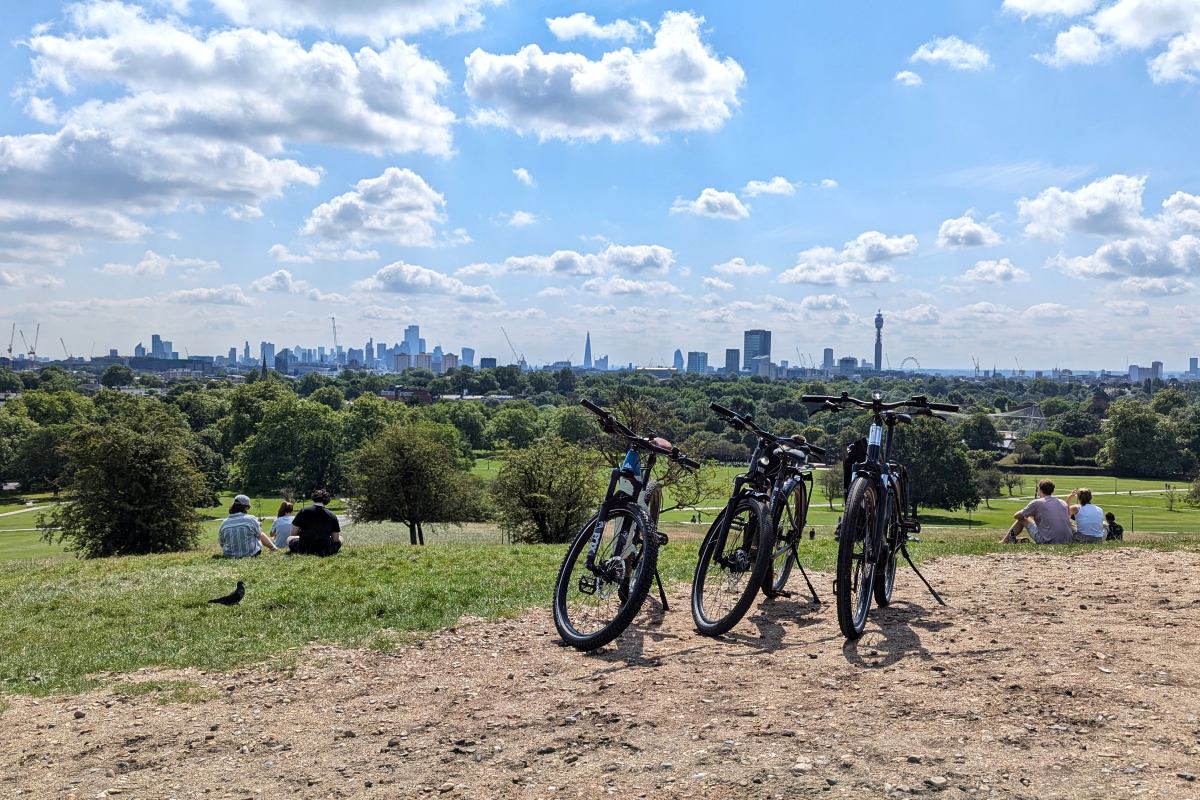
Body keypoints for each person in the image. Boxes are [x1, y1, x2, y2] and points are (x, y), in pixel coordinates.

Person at [999, 478, 1072, 544]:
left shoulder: (1037, 503)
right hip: (1068, 540)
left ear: (1040, 489)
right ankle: (1017, 541)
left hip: (1048, 541)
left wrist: (1025, 512)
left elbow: (1017, 516)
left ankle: (1004, 541)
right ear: (1052, 490)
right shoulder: (1063, 502)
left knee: (1023, 518)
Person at [288, 488, 343, 556]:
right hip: (325, 550)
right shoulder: (332, 515)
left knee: (289, 538)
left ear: (313, 498)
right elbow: (335, 539)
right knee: (341, 538)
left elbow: (293, 533)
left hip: (303, 548)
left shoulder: (303, 511)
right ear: (327, 500)